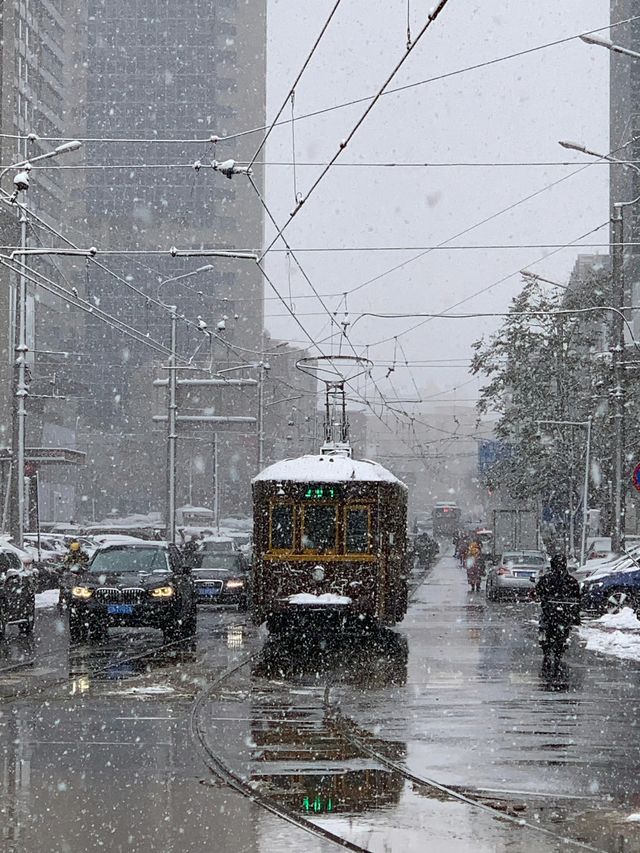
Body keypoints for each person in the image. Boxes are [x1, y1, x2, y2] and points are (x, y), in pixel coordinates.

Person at [535, 554, 581, 656]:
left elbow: (538, 590)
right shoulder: (571, 581)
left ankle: (544, 637)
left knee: (544, 621)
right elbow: (577, 596)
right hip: (563, 613)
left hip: (553, 612)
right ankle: (548, 638)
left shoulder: (547, 579)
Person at [59, 540, 90, 608]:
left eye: (75, 551)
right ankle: (62, 600)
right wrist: (64, 567)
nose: (74, 552)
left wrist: (81, 566)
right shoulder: (69, 556)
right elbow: (65, 563)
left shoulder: (83, 555)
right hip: (70, 574)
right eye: (73, 551)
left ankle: (76, 600)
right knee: (64, 586)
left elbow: (86, 564)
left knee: (79, 587)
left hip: (79, 574)